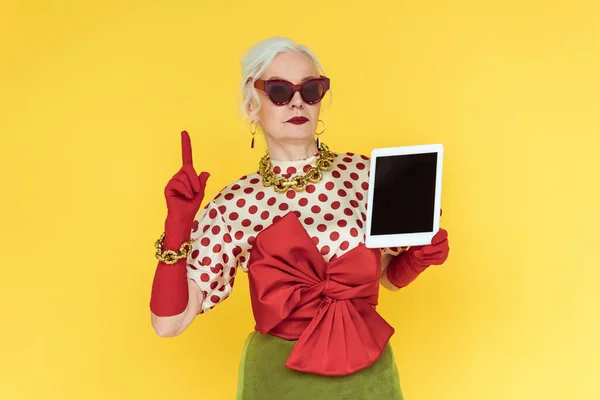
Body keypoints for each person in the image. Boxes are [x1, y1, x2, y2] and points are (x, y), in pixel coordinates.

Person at [149, 37, 450, 400]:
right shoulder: (233, 204)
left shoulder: (367, 176)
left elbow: (386, 277)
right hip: (279, 378)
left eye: (311, 90)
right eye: (278, 90)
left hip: (368, 374)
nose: (296, 102)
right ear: (251, 105)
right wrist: (177, 227)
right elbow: (169, 324)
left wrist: (417, 259)